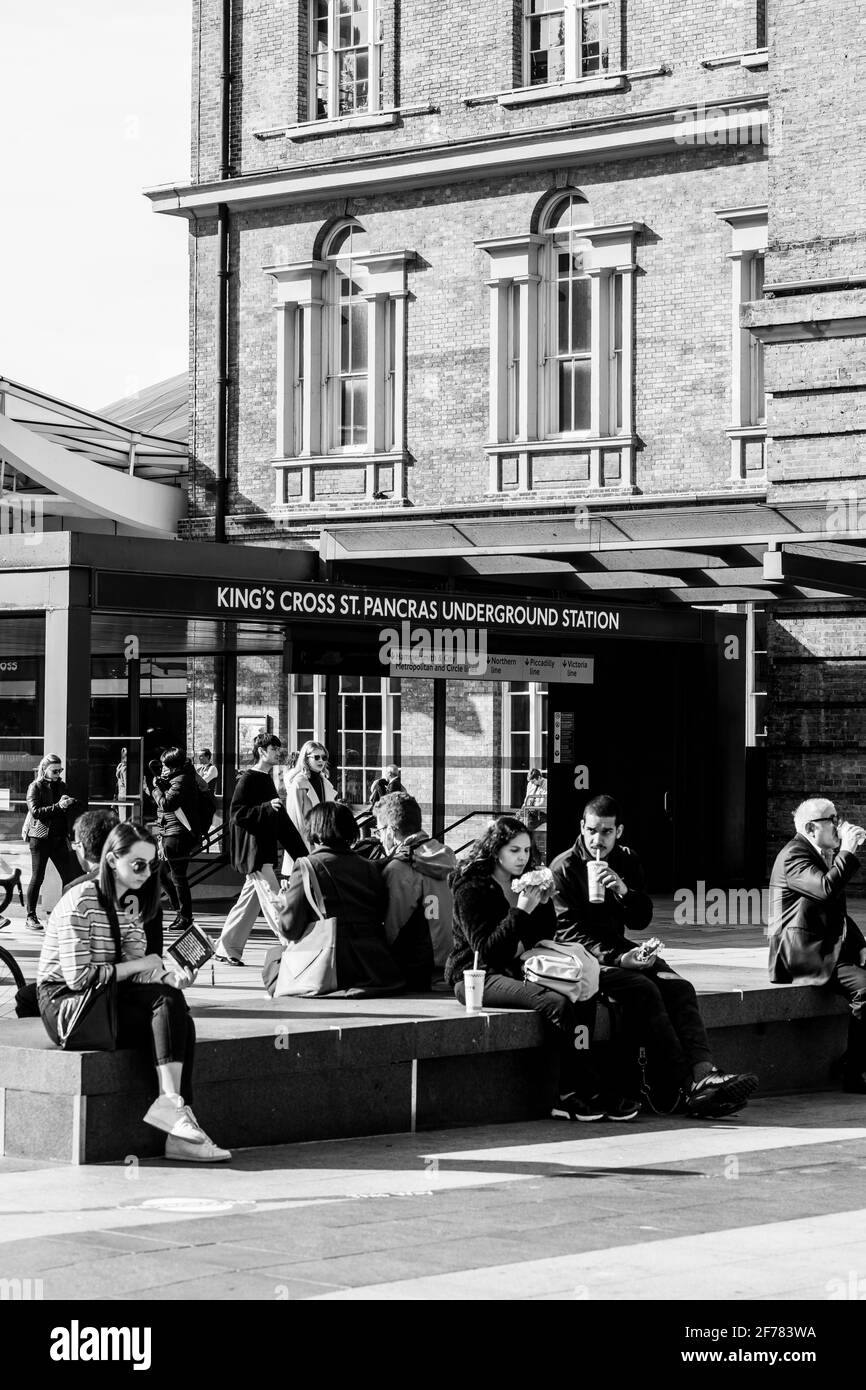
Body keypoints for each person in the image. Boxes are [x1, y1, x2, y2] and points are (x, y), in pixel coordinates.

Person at [551, 793, 759, 1118]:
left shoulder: (627, 860)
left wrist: (623, 892)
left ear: (618, 831)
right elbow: (568, 934)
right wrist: (621, 960)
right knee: (644, 989)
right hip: (581, 961)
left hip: (620, 949)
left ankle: (705, 1073)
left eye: (606, 832)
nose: (597, 840)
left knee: (680, 987)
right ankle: (692, 1086)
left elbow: (640, 919)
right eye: (592, 830)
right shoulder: (563, 868)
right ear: (582, 826)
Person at [36, 822, 230, 1162]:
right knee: (168, 1007)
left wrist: (168, 978)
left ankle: (176, 1118)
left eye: (152, 864)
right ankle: (176, 1120)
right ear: (112, 861)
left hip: (102, 998)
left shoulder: (123, 906)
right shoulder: (78, 902)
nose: (146, 873)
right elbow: (79, 978)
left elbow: (137, 968)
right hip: (67, 1007)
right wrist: (140, 969)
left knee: (175, 1007)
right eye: (138, 864)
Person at [445, 815, 639, 1122]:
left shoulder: (530, 880)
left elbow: (543, 938)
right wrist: (521, 910)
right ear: (496, 851)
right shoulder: (472, 887)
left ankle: (589, 1087)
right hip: (476, 976)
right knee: (556, 1003)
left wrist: (543, 903)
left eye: (526, 850)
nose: (522, 858)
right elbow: (487, 951)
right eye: (514, 850)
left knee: (582, 988)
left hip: (519, 966)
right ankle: (566, 1094)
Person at [768, 797, 866, 1092]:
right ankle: (855, 1070)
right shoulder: (794, 855)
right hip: (802, 953)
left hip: (826, 947)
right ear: (811, 828)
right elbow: (825, 890)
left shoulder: (821, 853)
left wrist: (861, 945)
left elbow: (836, 911)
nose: (839, 825)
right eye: (832, 820)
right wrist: (847, 852)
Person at [276, 802, 405, 996]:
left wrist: (283, 906)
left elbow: (290, 929)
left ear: (315, 832)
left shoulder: (306, 866)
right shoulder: (371, 867)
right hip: (376, 966)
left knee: (274, 962)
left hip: (331, 966)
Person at [15, 809, 122, 1020]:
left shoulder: (76, 891)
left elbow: (73, 969)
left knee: (25, 998)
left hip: (93, 993)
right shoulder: (139, 887)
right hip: (133, 986)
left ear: (81, 848)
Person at [214, 732, 307, 966]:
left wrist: (302, 854)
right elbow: (236, 814)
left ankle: (226, 948)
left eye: (278, 748)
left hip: (260, 853)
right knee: (274, 901)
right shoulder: (248, 778)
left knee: (249, 903)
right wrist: (267, 807)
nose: (278, 752)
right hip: (255, 854)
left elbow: (279, 820)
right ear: (261, 751)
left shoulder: (265, 778)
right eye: (274, 749)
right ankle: (294, 947)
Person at [374, 792, 457, 990]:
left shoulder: (399, 869)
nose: (378, 837)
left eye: (378, 831)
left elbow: (391, 928)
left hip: (417, 972)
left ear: (391, 832)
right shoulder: (447, 856)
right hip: (451, 966)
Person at [23, 754, 80, 931]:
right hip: (40, 838)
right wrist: (58, 806)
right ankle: (30, 916)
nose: (57, 773)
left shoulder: (62, 785)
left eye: (60, 770)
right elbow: (36, 811)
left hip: (59, 837)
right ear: (44, 769)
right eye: (54, 770)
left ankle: (66, 914)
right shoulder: (35, 786)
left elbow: (64, 810)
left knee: (69, 877)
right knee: (37, 876)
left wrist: (71, 803)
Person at [151, 747, 200, 933]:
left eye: (164, 764)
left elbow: (167, 804)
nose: (162, 768)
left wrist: (157, 790)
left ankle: (185, 916)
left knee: (178, 877)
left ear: (172, 766)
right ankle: (181, 912)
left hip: (178, 834)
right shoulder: (176, 779)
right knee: (162, 873)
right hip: (169, 832)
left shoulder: (183, 779)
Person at [284, 740, 337, 859]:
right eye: (316, 757)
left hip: (325, 840)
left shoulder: (325, 782)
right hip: (306, 841)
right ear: (306, 759)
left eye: (324, 757)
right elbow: (295, 819)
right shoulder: (298, 783)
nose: (321, 761)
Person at [115, 747, 130, 821]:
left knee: (122, 818)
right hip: (125, 796)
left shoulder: (120, 766)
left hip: (120, 795)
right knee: (125, 818)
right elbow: (128, 785)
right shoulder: (125, 769)